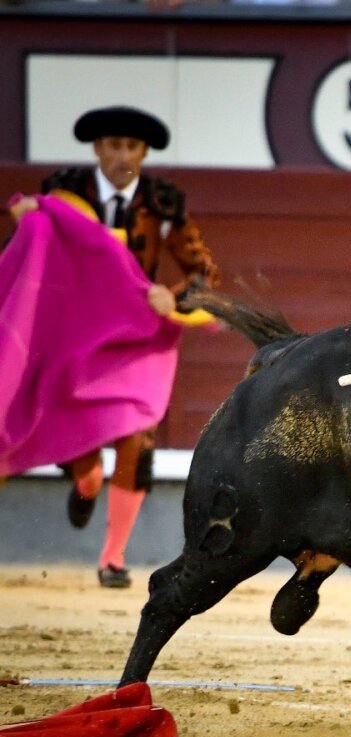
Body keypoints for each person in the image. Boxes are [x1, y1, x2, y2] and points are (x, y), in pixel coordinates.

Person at [5, 105, 221, 588]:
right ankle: (85, 481)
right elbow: (28, 248)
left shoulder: (162, 202)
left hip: (131, 335)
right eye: (113, 145)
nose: (122, 156)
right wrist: (24, 218)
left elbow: (204, 271)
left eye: (131, 147)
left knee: (137, 438)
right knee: (76, 438)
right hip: (73, 333)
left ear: (144, 153)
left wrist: (174, 296)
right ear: (97, 149)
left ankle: (113, 558)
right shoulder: (64, 193)